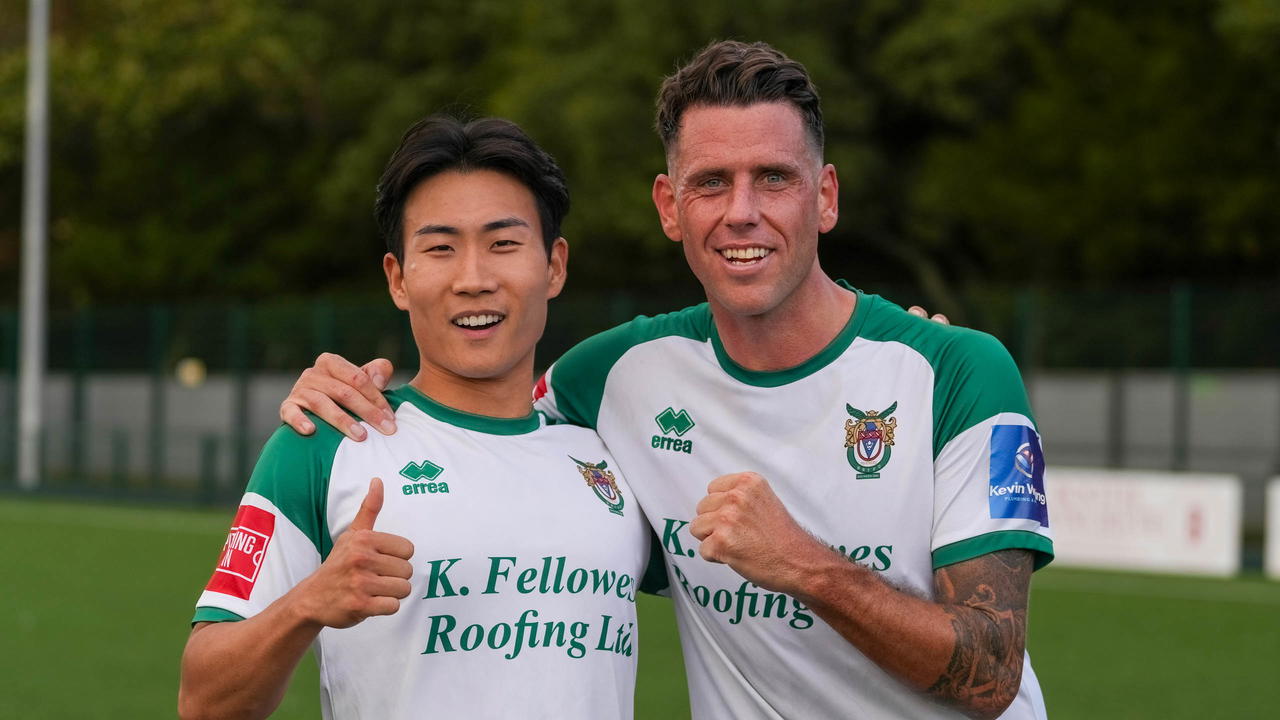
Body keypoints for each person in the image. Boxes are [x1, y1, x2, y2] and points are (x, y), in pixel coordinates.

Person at [282, 41, 1053, 720]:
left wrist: (801, 564)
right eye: (711, 182)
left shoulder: (956, 371)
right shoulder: (611, 378)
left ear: (825, 197)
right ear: (669, 206)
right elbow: (484, 415)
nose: (742, 212)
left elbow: (991, 672)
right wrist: (348, 392)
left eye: (774, 178)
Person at [179, 116, 661, 720]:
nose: (473, 279)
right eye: (440, 248)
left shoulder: (615, 453)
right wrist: (307, 604)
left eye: (503, 244)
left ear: (554, 266)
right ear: (398, 279)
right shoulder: (326, 441)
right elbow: (202, 701)